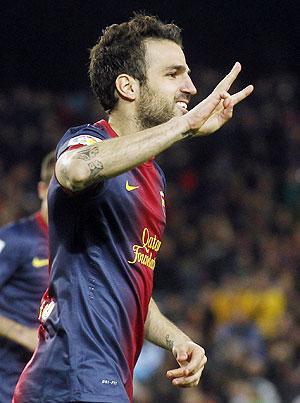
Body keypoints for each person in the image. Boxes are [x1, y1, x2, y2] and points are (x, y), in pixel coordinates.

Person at [14, 14, 253, 403]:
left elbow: (131, 286)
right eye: (174, 74)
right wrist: (184, 126)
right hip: (70, 378)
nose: (191, 87)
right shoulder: (86, 140)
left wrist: (176, 339)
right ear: (128, 86)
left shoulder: (153, 177)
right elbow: (73, 170)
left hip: (103, 381)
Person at [0, 151, 55, 402]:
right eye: (59, 187)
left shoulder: (78, 248)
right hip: (7, 380)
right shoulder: (16, 239)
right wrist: (24, 335)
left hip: (49, 382)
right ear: (42, 190)